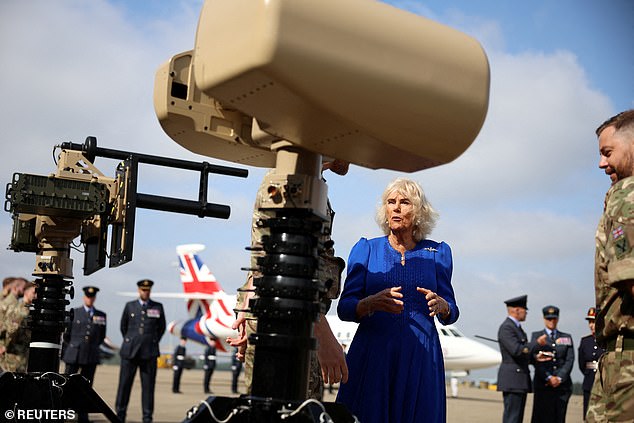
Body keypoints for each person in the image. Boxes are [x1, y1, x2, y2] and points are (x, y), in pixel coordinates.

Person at [336, 178, 459, 423]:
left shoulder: (438, 253)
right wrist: (369, 303)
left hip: (421, 356)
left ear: (419, 212)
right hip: (374, 354)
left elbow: (452, 310)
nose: (396, 208)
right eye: (390, 202)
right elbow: (344, 308)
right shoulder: (366, 250)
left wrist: (443, 306)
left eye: (404, 202)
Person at [229, 159, 350, 400]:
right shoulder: (291, 181)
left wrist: (247, 303)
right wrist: (322, 334)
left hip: (294, 320)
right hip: (291, 323)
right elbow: (283, 266)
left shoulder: (308, 181)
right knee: (289, 408)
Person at [587, 109, 634, 422]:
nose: (602, 163)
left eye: (608, 152)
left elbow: (630, 278)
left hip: (626, 360)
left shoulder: (625, 195)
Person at [115, 279, 166, 423]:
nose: (145, 292)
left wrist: (151, 342)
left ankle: (147, 417)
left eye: (148, 290)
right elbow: (123, 327)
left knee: (148, 388)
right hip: (130, 353)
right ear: (139, 290)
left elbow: (161, 329)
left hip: (149, 353)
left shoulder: (158, 307)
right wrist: (131, 340)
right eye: (143, 290)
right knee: (124, 385)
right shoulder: (130, 306)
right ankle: (120, 415)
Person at [497, 295, 546, 423]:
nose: (526, 313)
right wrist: (536, 343)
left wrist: (534, 357)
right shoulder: (507, 327)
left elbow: (523, 353)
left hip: (519, 380)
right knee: (512, 418)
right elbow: (517, 350)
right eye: (525, 309)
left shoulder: (516, 328)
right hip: (513, 380)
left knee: (517, 418)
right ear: (516, 310)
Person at [61, 285, 107, 422]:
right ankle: (62, 413)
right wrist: (72, 348)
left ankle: (83, 416)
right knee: (66, 384)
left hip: (90, 355)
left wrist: (91, 347)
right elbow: (67, 335)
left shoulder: (101, 315)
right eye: (88, 296)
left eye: (92, 297)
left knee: (86, 387)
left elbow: (101, 336)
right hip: (74, 354)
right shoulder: (74, 312)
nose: (90, 299)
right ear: (84, 297)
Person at [529, 305, 575, 423]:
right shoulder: (536, 336)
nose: (552, 321)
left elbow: (569, 359)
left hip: (561, 387)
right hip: (543, 385)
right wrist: (548, 377)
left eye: (554, 318)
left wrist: (559, 378)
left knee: (559, 418)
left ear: (558, 319)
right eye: (549, 319)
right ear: (544, 319)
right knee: (541, 418)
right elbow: (535, 360)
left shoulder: (566, 337)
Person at [0, 280, 36, 372]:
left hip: (21, 355)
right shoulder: (21, 310)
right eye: (34, 292)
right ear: (26, 292)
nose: (35, 295)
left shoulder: (27, 310)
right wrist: (5, 346)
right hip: (13, 355)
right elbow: (11, 330)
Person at [578, 307, 604, 420]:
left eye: (594, 321)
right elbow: (581, 364)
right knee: (588, 416)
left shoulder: (605, 340)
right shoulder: (585, 341)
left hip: (603, 382)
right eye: (590, 322)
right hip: (589, 383)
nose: (591, 325)